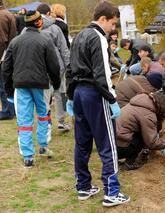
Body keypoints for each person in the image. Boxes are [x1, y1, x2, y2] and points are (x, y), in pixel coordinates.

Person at [65, 1, 130, 206]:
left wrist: (70, 95)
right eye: (113, 23)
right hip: (95, 94)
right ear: (103, 19)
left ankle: (83, 186)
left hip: (79, 94)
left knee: (82, 142)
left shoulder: (78, 37)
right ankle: (112, 191)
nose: (114, 28)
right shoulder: (98, 37)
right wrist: (112, 100)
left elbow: (69, 68)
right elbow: (102, 74)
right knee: (107, 143)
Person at [1, 11, 60, 167]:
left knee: (24, 120)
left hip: (20, 86)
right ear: (38, 22)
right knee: (43, 115)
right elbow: (54, 66)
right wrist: (56, 83)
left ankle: (28, 156)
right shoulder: (45, 40)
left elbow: (6, 68)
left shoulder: (15, 42)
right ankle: (43, 146)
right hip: (40, 86)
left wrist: (8, 90)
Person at [116, 91, 165, 170]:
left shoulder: (140, 101)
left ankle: (117, 158)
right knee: (143, 138)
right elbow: (152, 143)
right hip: (118, 148)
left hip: (108, 144)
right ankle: (129, 164)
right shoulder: (148, 115)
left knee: (142, 133)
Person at [37, 3, 71, 132]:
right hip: (57, 67)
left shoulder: (30, 28)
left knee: (45, 95)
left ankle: (46, 121)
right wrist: (69, 66)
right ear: (48, 13)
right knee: (60, 93)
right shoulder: (55, 28)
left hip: (40, 67)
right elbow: (64, 49)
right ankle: (61, 121)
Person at [0, 0, 16, 120]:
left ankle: (7, 111)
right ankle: (12, 109)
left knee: (3, 85)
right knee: (9, 83)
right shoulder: (9, 14)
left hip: (2, 55)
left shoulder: (2, 15)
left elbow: (1, 39)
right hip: (10, 53)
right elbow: (13, 36)